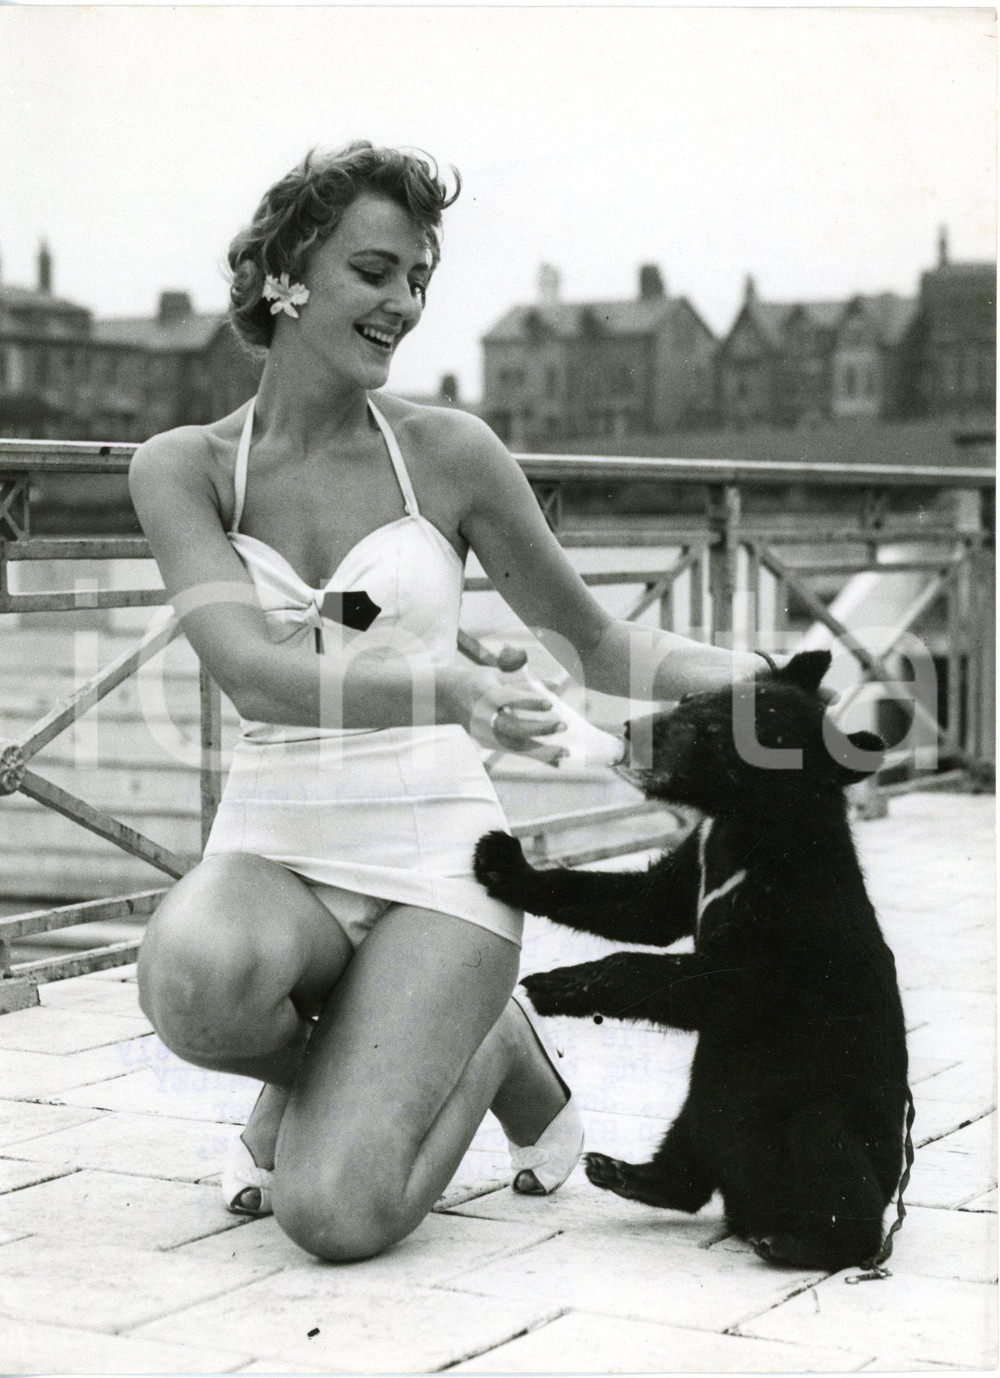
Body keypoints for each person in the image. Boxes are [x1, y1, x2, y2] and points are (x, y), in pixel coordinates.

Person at [130, 142, 766, 1264]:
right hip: (273, 847)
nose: (404, 304)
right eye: (376, 272)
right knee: (188, 982)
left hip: (439, 863)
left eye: (419, 279)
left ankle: (473, 1039)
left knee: (330, 1216)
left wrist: (762, 686)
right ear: (286, 270)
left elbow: (601, 645)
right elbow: (251, 668)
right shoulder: (182, 467)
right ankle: (465, 1041)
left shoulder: (450, 452)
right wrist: (451, 681)